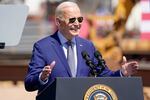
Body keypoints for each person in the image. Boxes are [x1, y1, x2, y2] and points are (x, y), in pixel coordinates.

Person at [24, 1, 139, 94]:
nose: (77, 24)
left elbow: (104, 75)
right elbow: (29, 83)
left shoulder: (87, 46)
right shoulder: (43, 47)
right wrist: (42, 77)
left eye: (80, 19)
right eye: (72, 20)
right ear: (59, 22)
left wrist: (122, 73)